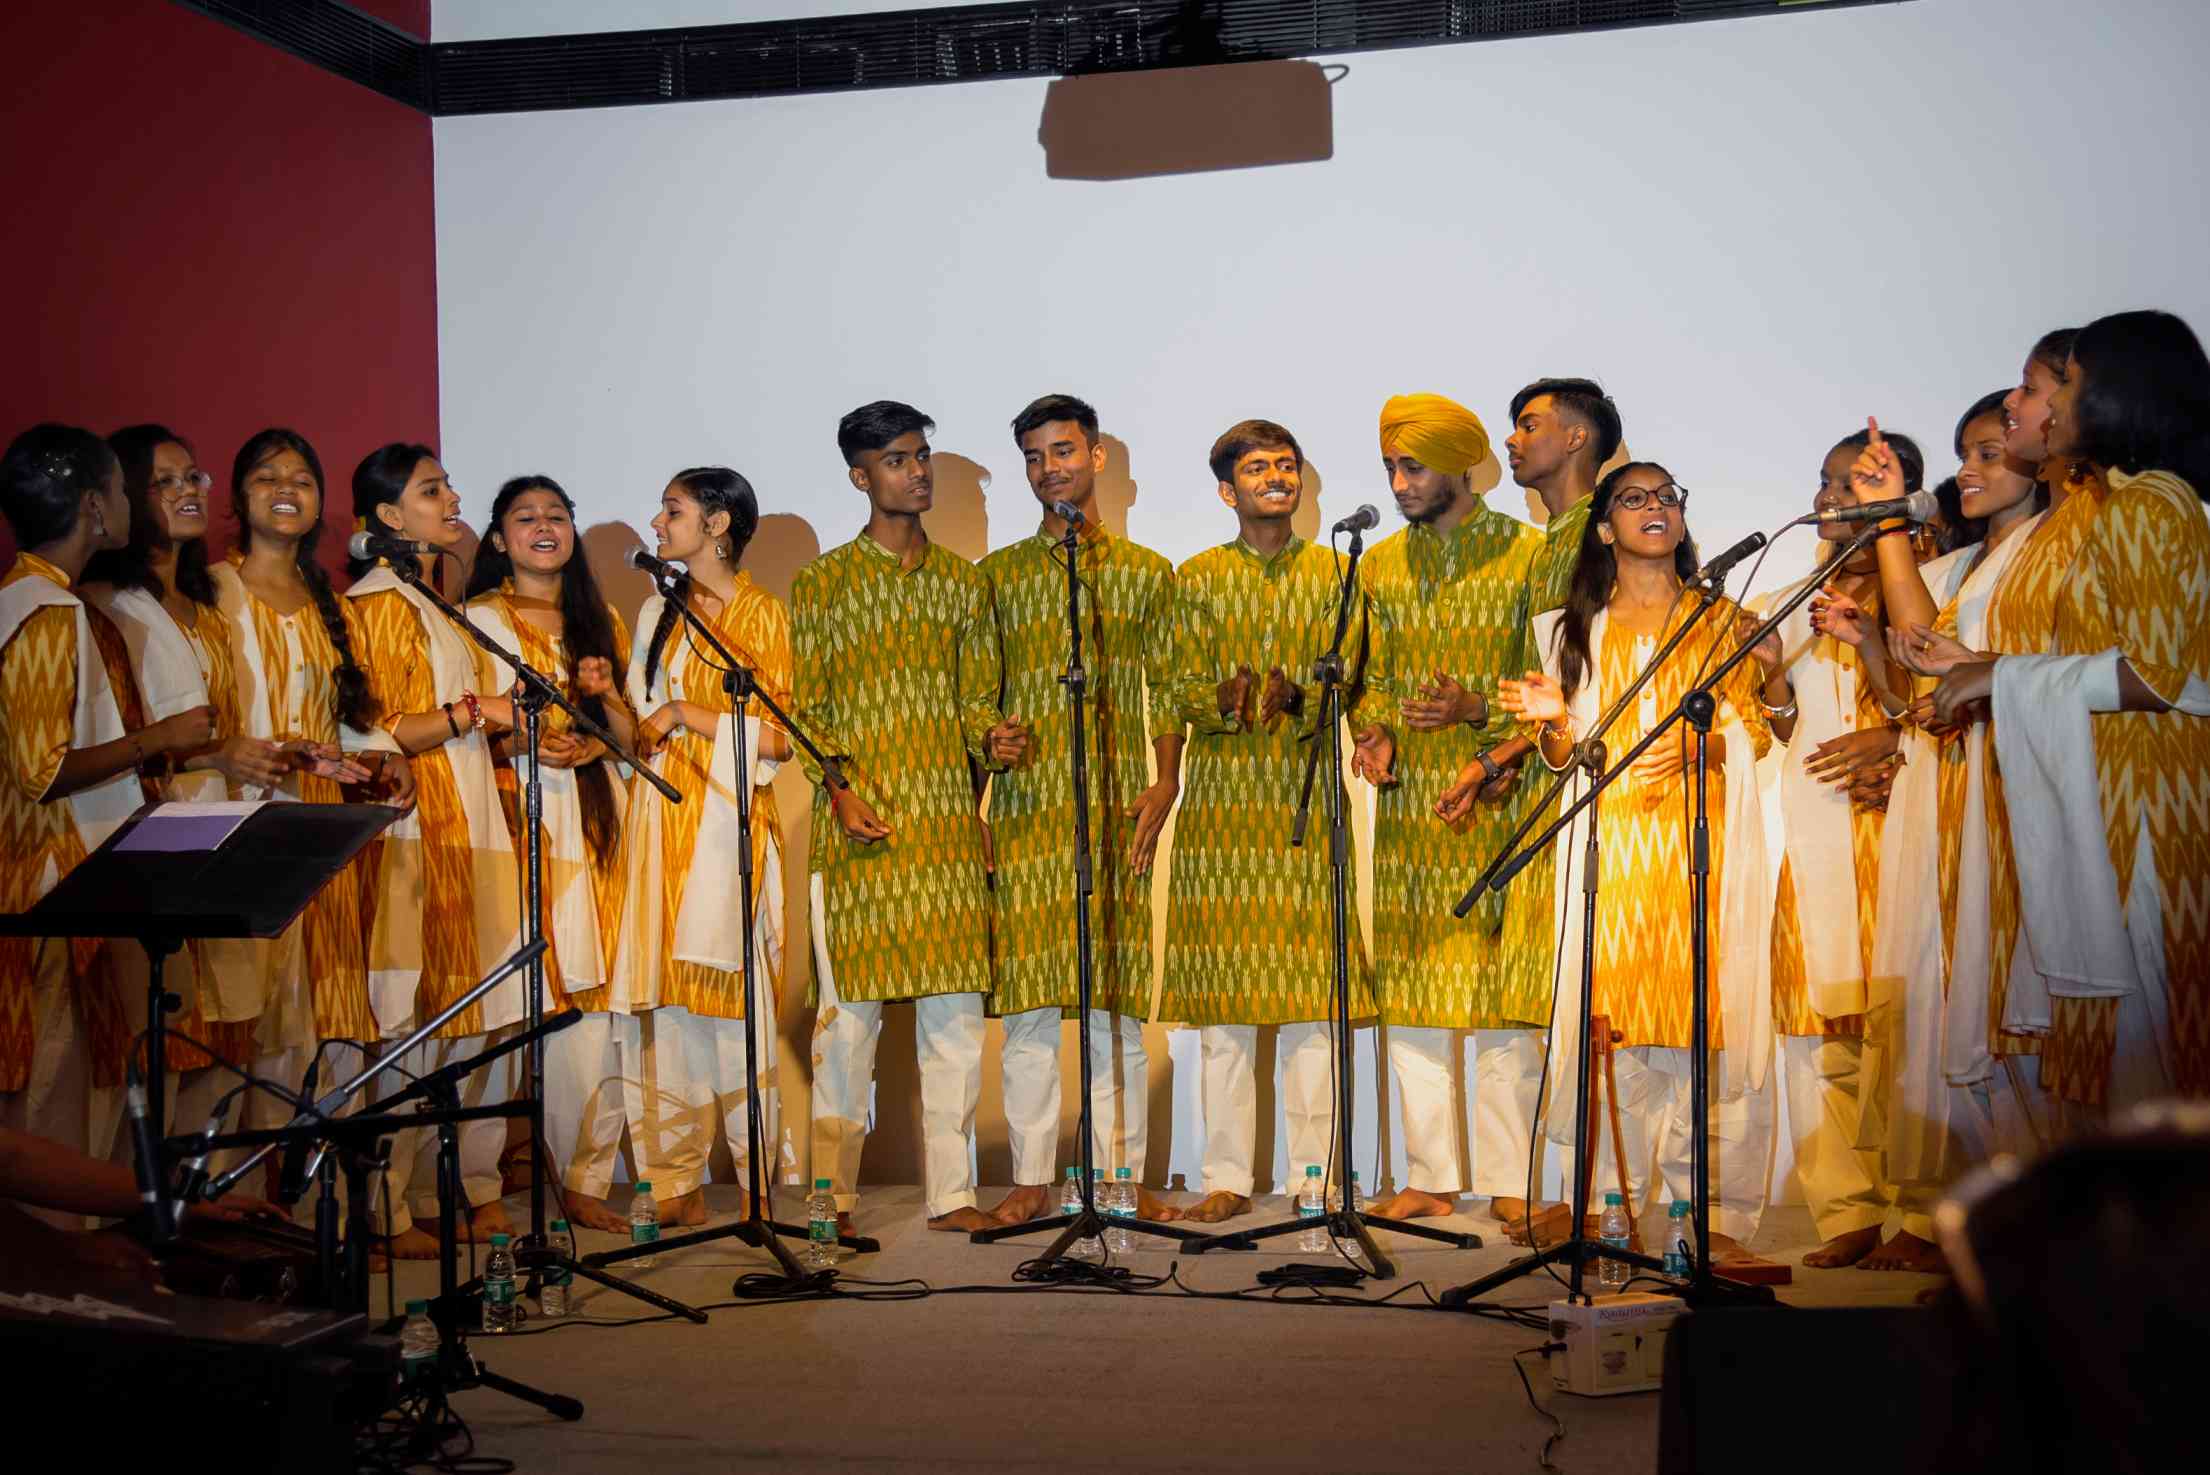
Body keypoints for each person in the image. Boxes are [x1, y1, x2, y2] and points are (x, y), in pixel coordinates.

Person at [1928, 308, 2210, 1109]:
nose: (2042, 406)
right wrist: (1998, 672)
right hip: (2115, 791)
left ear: (2118, 395)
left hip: (2154, 805)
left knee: (2152, 1057)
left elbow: (2158, 677)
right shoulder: (2128, 503)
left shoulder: (2152, 503)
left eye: (2062, 384)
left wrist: (2000, 676)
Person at [1498, 461, 1775, 1259]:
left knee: (1697, 1030)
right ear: (1603, 526)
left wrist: (1706, 745)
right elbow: (1561, 755)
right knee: (1611, 1030)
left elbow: (1759, 731)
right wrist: (1554, 721)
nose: (1655, 508)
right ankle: (1611, 1208)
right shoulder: (1565, 629)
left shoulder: (1725, 621)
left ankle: (1698, 1220)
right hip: (1610, 847)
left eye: (1667, 497)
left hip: (1701, 844)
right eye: (1634, 498)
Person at [1819, 392, 2048, 1275]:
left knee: (2011, 1013)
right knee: (1946, 1008)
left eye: (1989, 452)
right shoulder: (1973, 565)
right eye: (1966, 455)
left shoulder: (2047, 550)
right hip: (1949, 794)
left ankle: (2016, 1239)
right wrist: (1882, 523)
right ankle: (1959, 1226)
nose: (1970, 471)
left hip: (2013, 790)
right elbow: (1922, 662)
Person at [795, 402, 1012, 1234]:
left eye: (922, 457)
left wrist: (994, 739)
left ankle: (952, 1195)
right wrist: (841, 789)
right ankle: (832, 1200)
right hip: (857, 828)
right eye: (896, 460)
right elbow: (809, 707)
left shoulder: (964, 584)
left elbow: (973, 709)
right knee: (846, 1026)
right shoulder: (822, 584)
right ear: (861, 475)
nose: (916, 471)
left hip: (946, 827)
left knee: (954, 1023)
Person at [1157, 419, 1374, 1224]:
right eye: (1257, 468)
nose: (1275, 477)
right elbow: (1172, 684)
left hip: (1305, 803)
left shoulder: (1336, 573)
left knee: (1314, 1008)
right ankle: (1223, 1177)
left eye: (1286, 465)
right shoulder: (1195, 578)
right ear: (1227, 489)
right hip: (1221, 817)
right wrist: (1221, 697)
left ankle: (1312, 1178)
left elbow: (1355, 671)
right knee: (1224, 1013)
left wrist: (1307, 696)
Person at [978, 396, 1183, 1226]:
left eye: (1062, 451)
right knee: (1030, 1008)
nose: (1048, 467)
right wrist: (983, 774)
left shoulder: (1145, 573)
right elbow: (976, 697)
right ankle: (1032, 1180)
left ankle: (1119, 1178)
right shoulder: (998, 578)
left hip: (1113, 809)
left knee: (1112, 1006)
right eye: (1033, 456)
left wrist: (1164, 781)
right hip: (1028, 811)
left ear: (1097, 458)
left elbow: (1167, 684)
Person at [81, 426, 305, 1164]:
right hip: (143, 841)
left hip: (224, 829)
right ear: (117, 500)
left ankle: (215, 1215)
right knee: (149, 1040)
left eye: (194, 476)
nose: (188, 491)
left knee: (221, 1035)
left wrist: (275, 755)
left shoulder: (211, 600)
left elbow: (227, 721)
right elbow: (109, 736)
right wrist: (212, 749)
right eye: (164, 480)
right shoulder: (99, 603)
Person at [1344, 394, 1541, 1226]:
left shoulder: (1527, 556)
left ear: (1463, 464)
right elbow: (1369, 676)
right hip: (1413, 810)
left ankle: (1511, 1178)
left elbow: (1546, 684)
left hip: (1498, 796)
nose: (1398, 482)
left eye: (1412, 466)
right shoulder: (1379, 564)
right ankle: (1429, 1173)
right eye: (1391, 466)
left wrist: (1472, 716)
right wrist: (1376, 730)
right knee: (1417, 987)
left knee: (1497, 994)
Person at [1442, 376, 1623, 1243]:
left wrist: (1492, 754)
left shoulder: (1607, 529)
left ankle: (1599, 1197)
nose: (1513, 441)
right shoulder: (1539, 543)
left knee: (1589, 985)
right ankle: (1558, 1187)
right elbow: (1544, 686)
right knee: (1539, 992)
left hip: (1604, 788)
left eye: (1529, 425)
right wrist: (1501, 756)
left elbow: (1597, 680)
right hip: (1546, 780)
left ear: (1579, 437)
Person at [210, 429, 406, 1210]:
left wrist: (383, 759)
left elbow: (355, 718)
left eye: (301, 476)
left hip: (318, 830)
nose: (286, 487)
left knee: (313, 1019)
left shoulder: (329, 601)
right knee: (245, 1022)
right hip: (239, 823)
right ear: (239, 497)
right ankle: (231, 1205)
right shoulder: (213, 592)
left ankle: (302, 1207)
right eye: (266, 476)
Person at [0, 425, 210, 1154]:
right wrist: (160, 738)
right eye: (123, 490)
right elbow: (41, 770)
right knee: (54, 1101)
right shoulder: (46, 609)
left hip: (66, 890)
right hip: (46, 896)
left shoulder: (42, 600)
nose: (127, 503)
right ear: (94, 506)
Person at [1750, 427, 1921, 1269]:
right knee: (1825, 1034)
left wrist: (1893, 739)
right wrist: (1774, 680)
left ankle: (1922, 1211)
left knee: (1908, 1024)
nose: (1828, 498)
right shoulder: (1788, 596)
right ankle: (1847, 1208)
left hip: (1903, 834)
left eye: (1852, 485)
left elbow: (1949, 691)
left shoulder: (1932, 590)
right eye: (1824, 482)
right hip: (1815, 835)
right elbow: (1778, 728)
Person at [345, 442, 522, 1256]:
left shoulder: (429, 595)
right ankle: (380, 1210)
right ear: (387, 517)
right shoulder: (379, 602)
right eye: (429, 490)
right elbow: (377, 731)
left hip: (467, 819)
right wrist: (469, 712)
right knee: (406, 1018)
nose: (452, 497)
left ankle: (422, 1193)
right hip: (416, 827)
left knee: (456, 1016)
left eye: (448, 484)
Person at [609, 467, 790, 1229]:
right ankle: (672, 1176)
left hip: (729, 831)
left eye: (674, 510)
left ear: (718, 524)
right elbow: (636, 726)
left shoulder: (761, 613)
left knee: (735, 1011)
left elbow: (779, 733)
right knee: (668, 1014)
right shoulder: (656, 610)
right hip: (657, 827)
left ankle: (756, 1181)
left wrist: (688, 710)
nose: (657, 522)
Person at [464, 474, 638, 1233]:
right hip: (511, 818)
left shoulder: (597, 618)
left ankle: (582, 1180)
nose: (545, 527)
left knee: (592, 1008)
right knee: (506, 1008)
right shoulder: (475, 617)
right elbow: (470, 725)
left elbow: (632, 742)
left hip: (592, 821)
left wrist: (599, 710)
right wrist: (528, 737)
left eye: (557, 516)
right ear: (498, 538)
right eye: (525, 517)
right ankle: (475, 1185)